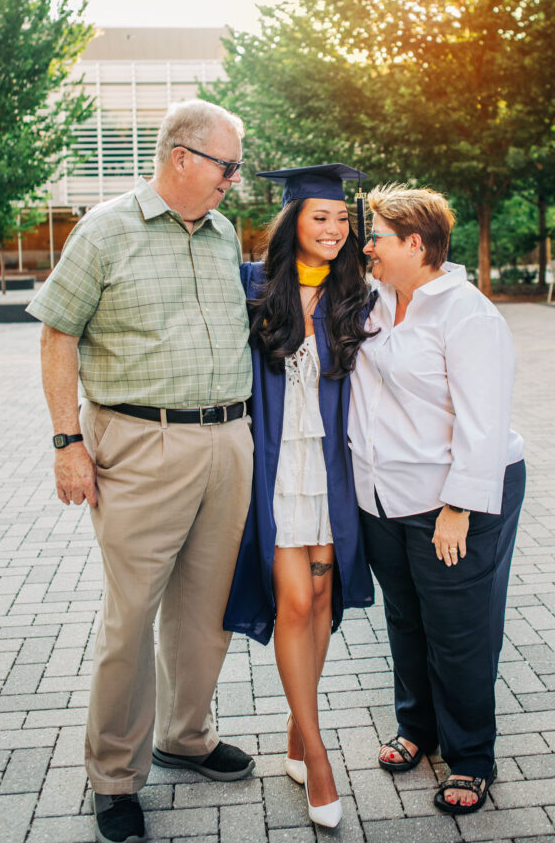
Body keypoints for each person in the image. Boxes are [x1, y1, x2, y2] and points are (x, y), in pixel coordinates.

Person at [27, 100, 255, 843]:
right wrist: (67, 441)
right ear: (182, 156)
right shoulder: (105, 229)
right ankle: (115, 778)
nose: (234, 180)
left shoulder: (222, 234)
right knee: (131, 620)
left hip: (227, 440)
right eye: (227, 166)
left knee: (205, 610)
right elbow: (58, 333)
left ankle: (185, 737)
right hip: (140, 446)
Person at [349, 184, 526, 816]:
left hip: (454, 500)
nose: (366, 245)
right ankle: (419, 728)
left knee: (460, 631)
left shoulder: (466, 313)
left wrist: (458, 509)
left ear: (416, 244)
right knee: (406, 618)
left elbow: (484, 420)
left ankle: (471, 756)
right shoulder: (372, 299)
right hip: (382, 495)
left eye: (379, 237)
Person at [223, 165, 375, 829]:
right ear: (293, 223)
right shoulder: (252, 287)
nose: (334, 230)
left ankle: (294, 725)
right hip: (277, 468)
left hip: (329, 472)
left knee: (320, 599)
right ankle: (315, 754)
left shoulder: (356, 295)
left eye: (342, 220)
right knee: (291, 598)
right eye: (320, 218)